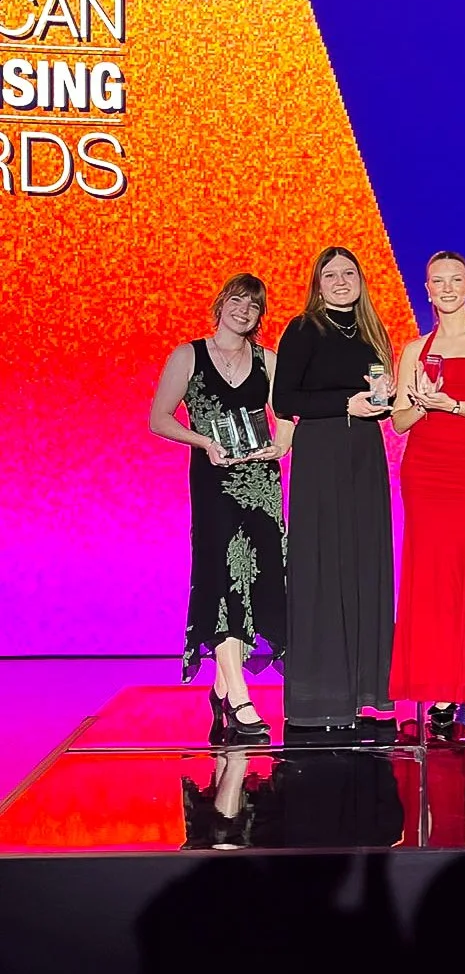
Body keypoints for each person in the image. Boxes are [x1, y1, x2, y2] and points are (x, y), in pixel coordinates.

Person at [149, 273, 290, 744]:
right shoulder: (188, 355)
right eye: (237, 301)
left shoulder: (268, 360)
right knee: (225, 578)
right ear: (221, 303)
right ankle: (241, 698)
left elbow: (285, 416)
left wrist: (282, 444)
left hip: (261, 484)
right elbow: (158, 418)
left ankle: (223, 687)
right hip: (213, 482)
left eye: (254, 305)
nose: (244, 311)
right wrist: (203, 442)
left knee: (258, 580)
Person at [389, 251, 465, 739]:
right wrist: (423, 403)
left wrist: (453, 403)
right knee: (436, 583)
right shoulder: (414, 349)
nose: (446, 288)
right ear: (427, 289)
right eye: (437, 281)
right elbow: (399, 421)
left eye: (454, 280)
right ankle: (443, 687)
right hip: (424, 472)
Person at [273, 247, 396, 730]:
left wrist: (385, 402)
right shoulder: (304, 329)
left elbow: (377, 397)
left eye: (349, 273)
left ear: (361, 280)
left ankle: (367, 687)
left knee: (364, 561)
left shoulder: (371, 330)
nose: (341, 281)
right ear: (317, 283)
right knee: (323, 564)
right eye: (331, 275)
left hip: (364, 453)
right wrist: (347, 402)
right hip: (321, 456)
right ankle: (320, 694)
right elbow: (285, 399)